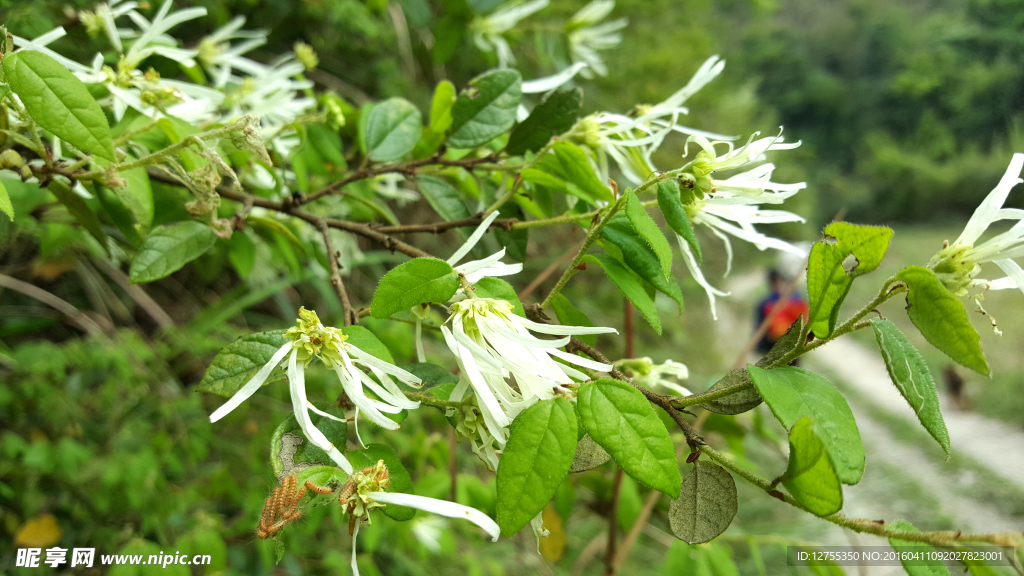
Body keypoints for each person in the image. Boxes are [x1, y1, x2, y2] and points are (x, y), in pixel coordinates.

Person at [754, 268, 809, 356]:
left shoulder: (795, 299)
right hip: (775, 342)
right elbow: (759, 325)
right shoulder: (766, 303)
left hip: (787, 342)